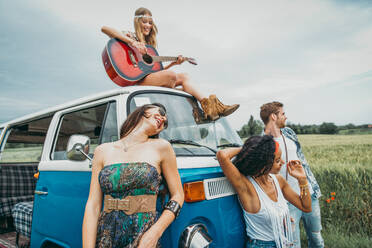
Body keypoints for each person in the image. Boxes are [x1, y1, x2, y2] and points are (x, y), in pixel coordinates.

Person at [101, 7, 239, 121]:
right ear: (138, 22)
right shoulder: (130, 37)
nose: (148, 25)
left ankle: (208, 109)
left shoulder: (150, 47)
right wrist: (132, 42)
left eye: (150, 23)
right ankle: (204, 111)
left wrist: (173, 64)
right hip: (136, 82)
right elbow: (105, 28)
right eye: (145, 22)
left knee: (184, 76)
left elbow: (155, 73)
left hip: (148, 78)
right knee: (172, 76)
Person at [82, 103, 184, 248]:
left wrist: (155, 232)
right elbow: (93, 204)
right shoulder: (102, 151)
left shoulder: (162, 147)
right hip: (107, 233)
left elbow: (178, 196)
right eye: (161, 112)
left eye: (165, 122)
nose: (163, 118)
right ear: (143, 110)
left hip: (143, 234)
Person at [217, 135, 312, 248]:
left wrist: (302, 179)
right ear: (263, 162)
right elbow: (222, 155)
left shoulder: (278, 180)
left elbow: (306, 207)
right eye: (277, 160)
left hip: (284, 242)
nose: (282, 162)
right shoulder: (247, 187)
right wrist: (252, 149)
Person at [260, 101, 324, 248]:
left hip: (309, 193)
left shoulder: (289, 132)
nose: (286, 117)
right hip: (287, 201)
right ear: (273, 117)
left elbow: (302, 159)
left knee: (317, 239)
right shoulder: (262, 143)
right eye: (282, 114)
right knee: (293, 244)